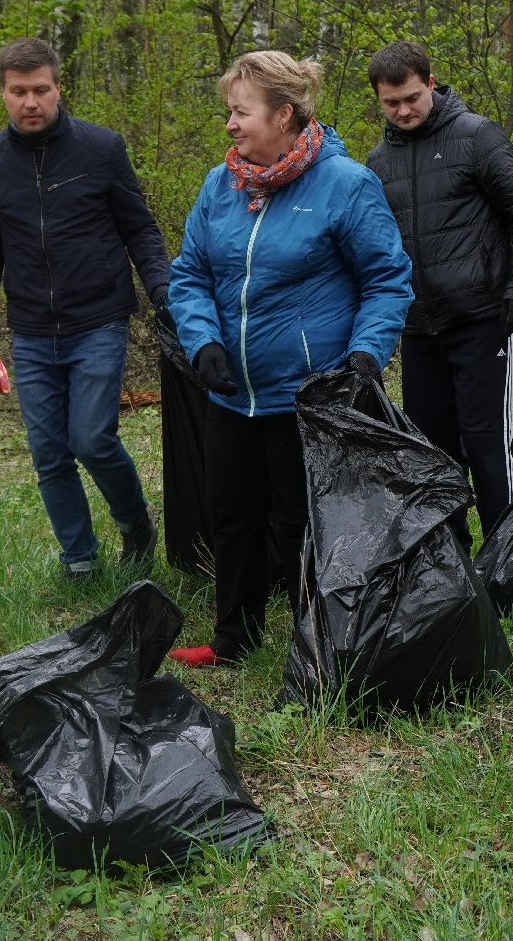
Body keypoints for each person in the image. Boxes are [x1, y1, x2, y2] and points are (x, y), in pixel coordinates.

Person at [165, 50, 414, 668]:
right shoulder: (221, 184)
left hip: (309, 395)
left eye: (240, 112)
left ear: (283, 114)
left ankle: (316, 645)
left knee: (301, 525)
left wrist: (365, 356)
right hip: (232, 392)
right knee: (231, 516)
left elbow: (387, 280)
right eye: (229, 112)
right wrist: (203, 341)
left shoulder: (346, 184)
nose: (230, 124)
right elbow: (190, 273)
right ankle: (233, 640)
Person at [0, 38, 170, 580]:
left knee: (92, 439)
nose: (31, 102)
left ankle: (136, 528)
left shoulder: (100, 148)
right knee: (49, 453)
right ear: (3, 93)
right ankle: (79, 560)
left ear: (58, 88)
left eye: (41, 90)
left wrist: (162, 288)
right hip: (31, 329)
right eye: (18, 92)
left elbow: (139, 228)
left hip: (98, 318)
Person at [363, 41, 513, 542]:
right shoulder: (377, 164)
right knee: (431, 452)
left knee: (487, 447)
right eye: (390, 103)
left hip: (484, 319)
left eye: (411, 98)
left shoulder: (476, 136)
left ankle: (505, 559)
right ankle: (453, 568)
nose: (403, 111)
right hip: (419, 329)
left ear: (431, 82)